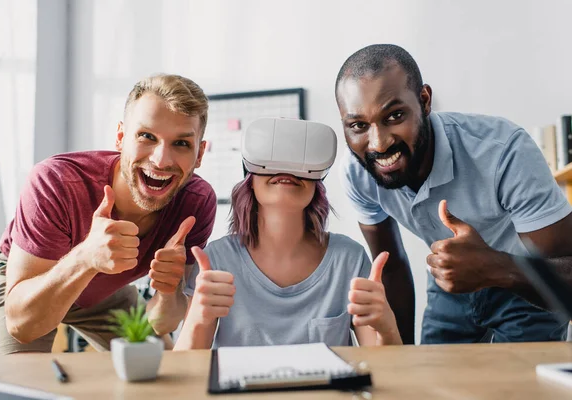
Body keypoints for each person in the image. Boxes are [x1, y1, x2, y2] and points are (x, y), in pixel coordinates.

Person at [335, 44, 572, 345]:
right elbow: (391, 264)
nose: (379, 144)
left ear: (424, 101)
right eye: (358, 125)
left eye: (394, 116)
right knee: (436, 387)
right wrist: (402, 360)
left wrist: (494, 266)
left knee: (515, 389)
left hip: (526, 285)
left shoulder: (504, 151)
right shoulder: (358, 172)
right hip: (449, 282)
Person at [0, 74, 217, 355]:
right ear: (120, 137)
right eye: (146, 136)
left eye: (181, 144)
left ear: (200, 154)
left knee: (159, 370)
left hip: (103, 291)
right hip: (26, 282)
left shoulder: (196, 203)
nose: (161, 160)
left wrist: (169, 291)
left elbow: (162, 322)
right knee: (16, 390)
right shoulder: (55, 182)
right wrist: (86, 258)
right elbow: (23, 325)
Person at [174, 119, 402, 350]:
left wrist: (387, 327)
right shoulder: (217, 260)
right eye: (272, 164)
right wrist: (197, 320)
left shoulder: (349, 259)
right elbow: (185, 373)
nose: (286, 170)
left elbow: (383, 369)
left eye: (299, 167)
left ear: (317, 184)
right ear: (249, 180)